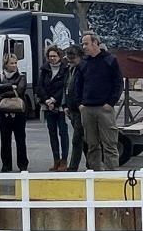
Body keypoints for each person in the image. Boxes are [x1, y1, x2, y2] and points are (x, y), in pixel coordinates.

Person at [73, 32, 124, 170]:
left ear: (95, 43)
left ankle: (112, 174)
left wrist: (111, 102)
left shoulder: (110, 60)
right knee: (91, 145)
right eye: (83, 44)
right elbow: (77, 84)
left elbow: (118, 83)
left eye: (86, 43)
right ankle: (95, 174)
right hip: (87, 109)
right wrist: (80, 104)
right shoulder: (83, 63)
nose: (84, 47)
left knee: (109, 144)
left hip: (104, 108)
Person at [37, 46, 71, 171]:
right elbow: (40, 86)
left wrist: (54, 100)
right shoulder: (45, 69)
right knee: (52, 134)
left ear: (60, 57)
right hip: (48, 107)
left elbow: (64, 87)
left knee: (63, 133)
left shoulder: (65, 69)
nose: (52, 58)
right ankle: (56, 160)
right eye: (50, 56)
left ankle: (64, 160)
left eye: (54, 56)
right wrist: (46, 100)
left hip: (60, 106)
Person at [0, 53, 29, 172]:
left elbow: (19, 91)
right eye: (11, 63)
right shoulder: (0, 76)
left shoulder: (21, 76)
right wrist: (10, 86)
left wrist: (2, 95)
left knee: (20, 139)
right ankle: (6, 165)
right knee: (5, 139)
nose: (14, 65)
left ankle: (23, 165)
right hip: (3, 112)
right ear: (5, 64)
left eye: (15, 63)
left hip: (19, 112)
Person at [62, 45, 86, 171]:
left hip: (80, 109)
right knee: (82, 138)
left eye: (73, 60)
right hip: (71, 108)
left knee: (77, 139)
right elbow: (65, 87)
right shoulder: (69, 69)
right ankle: (89, 164)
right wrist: (64, 105)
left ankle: (73, 167)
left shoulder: (82, 69)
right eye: (69, 60)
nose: (70, 62)